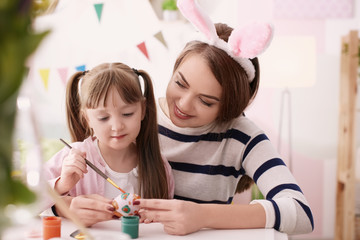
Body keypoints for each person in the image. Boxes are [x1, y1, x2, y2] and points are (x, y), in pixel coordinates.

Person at [135, 0, 313, 236]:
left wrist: (202, 216)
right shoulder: (137, 117)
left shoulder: (241, 135)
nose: (184, 104)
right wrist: (70, 201)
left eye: (206, 101)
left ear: (228, 108)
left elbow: (301, 213)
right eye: (180, 83)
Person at [43, 62, 174, 226]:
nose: (117, 126)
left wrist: (159, 217)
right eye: (103, 118)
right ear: (87, 118)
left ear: (143, 109)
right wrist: (61, 186)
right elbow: (23, 200)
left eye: (127, 114)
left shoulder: (159, 166)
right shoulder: (74, 156)